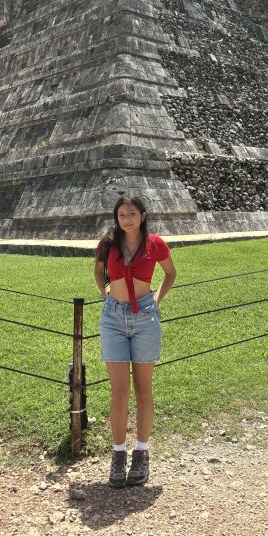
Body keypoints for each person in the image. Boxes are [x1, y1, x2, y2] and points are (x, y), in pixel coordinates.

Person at [94, 195, 176, 488]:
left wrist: (155, 299)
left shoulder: (155, 244)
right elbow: (97, 271)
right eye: (120, 214)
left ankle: (141, 452)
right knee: (119, 392)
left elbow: (170, 274)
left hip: (145, 318)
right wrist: (107, 295)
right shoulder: (108, 244)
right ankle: (118, 455)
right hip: (113, 319)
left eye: (131, 213)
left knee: (143, 389)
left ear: (143, 215)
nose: (125, 218)